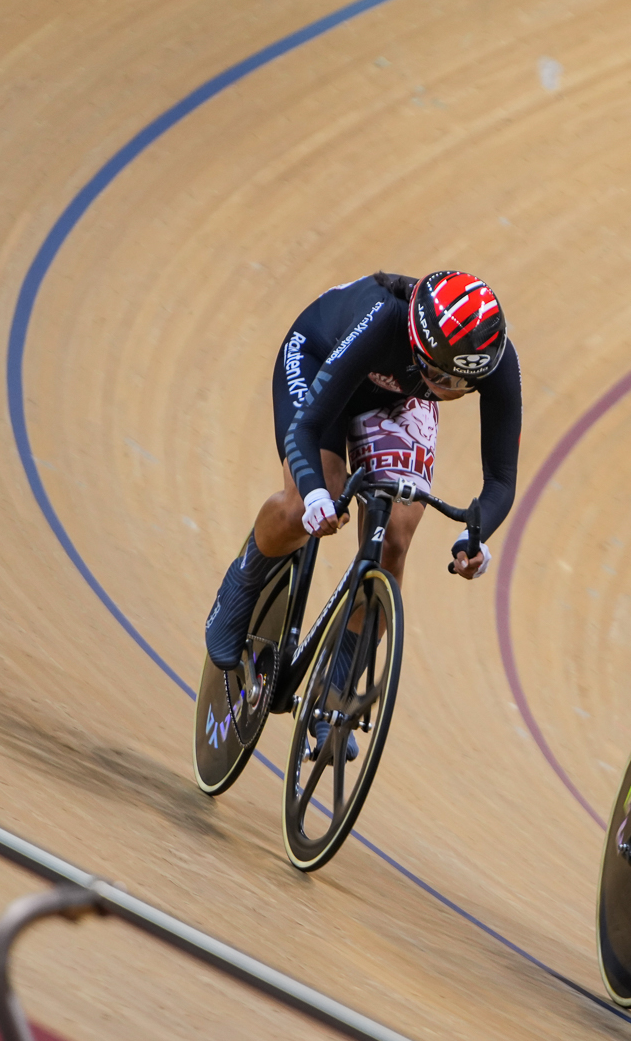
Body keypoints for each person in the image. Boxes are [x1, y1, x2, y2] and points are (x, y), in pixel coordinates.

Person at [201, 271, 519, 746]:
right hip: (319, 360)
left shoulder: (492, 361)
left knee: (394, 538)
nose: (446, 387)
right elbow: (305, 429)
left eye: (459, 383)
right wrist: (311, 496)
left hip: (394, 395)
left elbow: (500, 480)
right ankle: (243, 577)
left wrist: (473, 536)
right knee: (302, 509)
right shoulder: (383, 319)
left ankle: (338, 689)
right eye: (439, 374)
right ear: (418, 338)